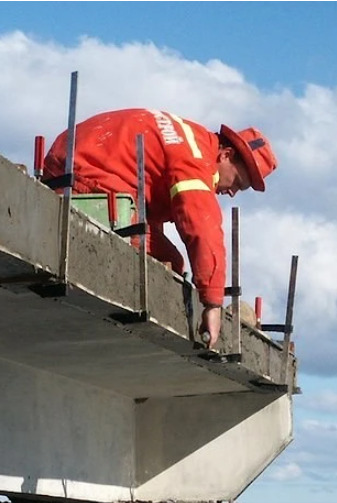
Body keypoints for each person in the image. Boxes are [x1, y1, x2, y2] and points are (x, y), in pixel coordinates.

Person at [42, 109, 277, 348]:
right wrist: (213, 303)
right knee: (167, 264)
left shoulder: (190, 138)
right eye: (237, 182)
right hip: (83, 174)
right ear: (226, 155)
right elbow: (202, 225)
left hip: (78, 161)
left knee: (167, 258)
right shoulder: (194, 160)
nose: (231, 192)